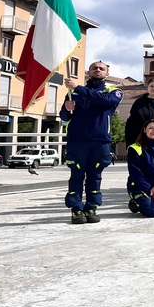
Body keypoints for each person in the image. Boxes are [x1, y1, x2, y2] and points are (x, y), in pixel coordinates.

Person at [61, 61, 123, 224]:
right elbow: (64, 117)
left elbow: (105, 101)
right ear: (88, 72)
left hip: (100, 140)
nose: (98, 70)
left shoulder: (114, 91)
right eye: (94, 68)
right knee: (76, 176)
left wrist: (79, 88)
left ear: (106, 74)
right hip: (77, 141)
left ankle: (91, 207)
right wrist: (67, 109)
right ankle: (76, 209)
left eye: (101, 69)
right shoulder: (73, 93)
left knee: (95, 176)